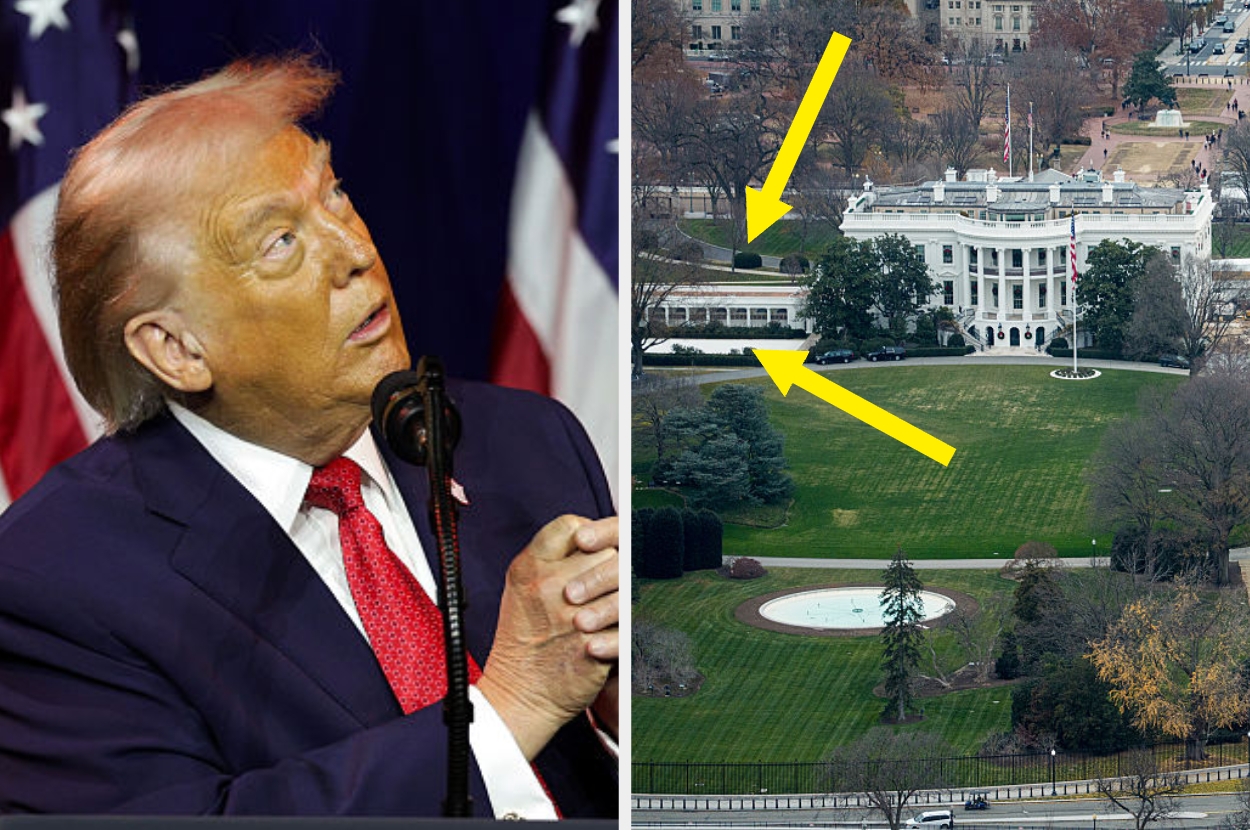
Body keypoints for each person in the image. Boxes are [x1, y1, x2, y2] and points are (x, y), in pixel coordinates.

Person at [0, 56, 618, 817]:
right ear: (177, 349)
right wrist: (513, 707)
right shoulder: (53, 583)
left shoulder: (523, 440)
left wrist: (630, 717)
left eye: (335, 196)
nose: (354, 251)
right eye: (280, 243)